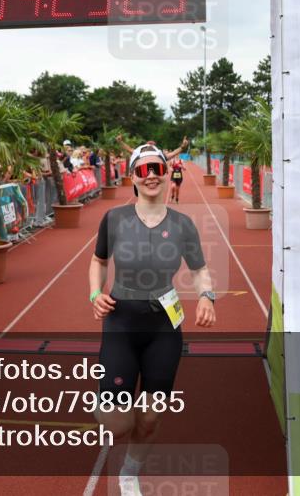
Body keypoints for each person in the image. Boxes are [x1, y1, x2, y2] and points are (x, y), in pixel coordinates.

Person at [89, 144, 216, 496]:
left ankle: (129, 473)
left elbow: (199, 269)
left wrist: (206, 296)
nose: (151, 176)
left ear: (167, 172)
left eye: (156, 169)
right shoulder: (114, 219)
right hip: (121, 324)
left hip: (164, 328)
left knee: (150, 417)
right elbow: (98, 261)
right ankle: (107, 400)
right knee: (117, 424)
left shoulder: (183, 225)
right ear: (132, 177)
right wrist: (94, 293)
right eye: (142, 170)